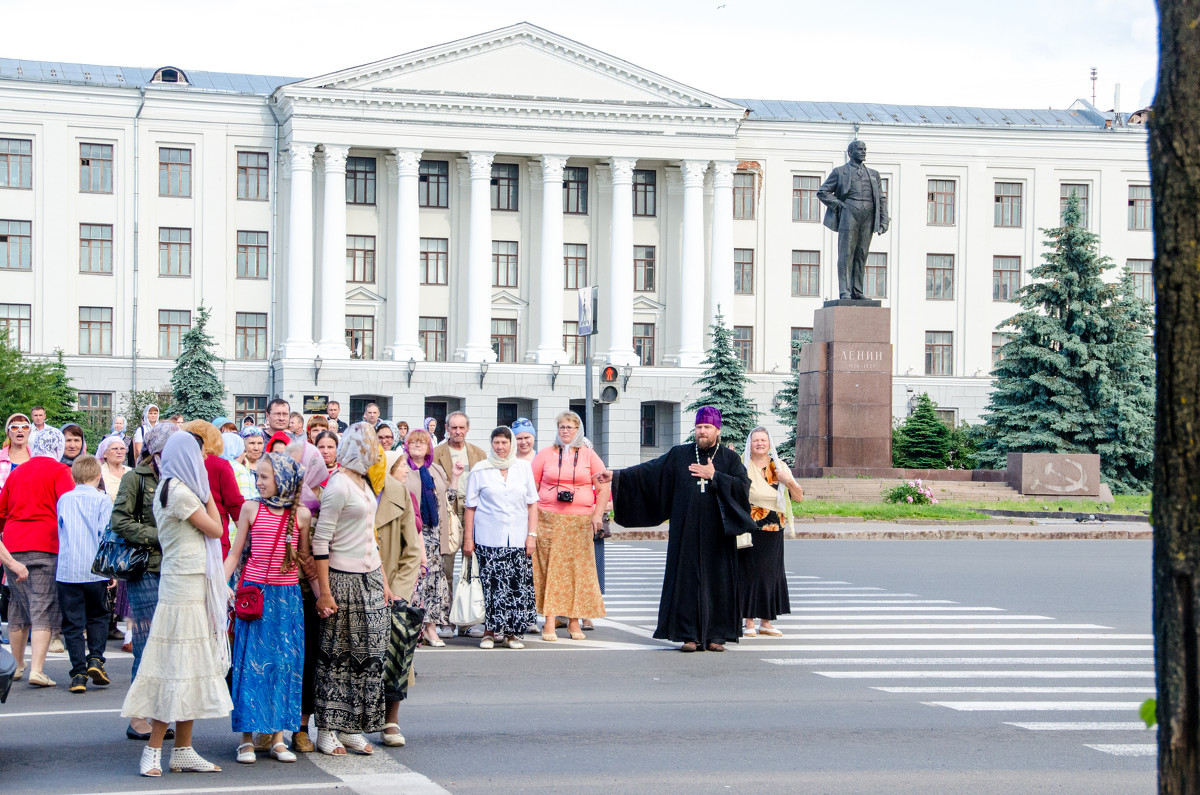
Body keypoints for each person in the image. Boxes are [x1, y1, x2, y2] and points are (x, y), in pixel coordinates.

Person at [120, 432, 233, 777]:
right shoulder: (180, 493)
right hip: (181, 589)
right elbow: (216, 529)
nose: (202, 461)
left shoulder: (174, 488)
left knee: (192, 668)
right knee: (176, 667)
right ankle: (153, 751)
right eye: (198, 456)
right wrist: (209, 494)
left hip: (189, 584)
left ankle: (183, 750)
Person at [598, 407, 755, 652]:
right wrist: (617, 475)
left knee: (718, 581)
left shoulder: (728, 459)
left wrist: (715, 476)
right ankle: (688, 635)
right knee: (686, 581)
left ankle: (717, 635)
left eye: (707, 428)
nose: (702, 432)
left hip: (718, 534)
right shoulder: (679, 455)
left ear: (717, 430)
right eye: (699, 427)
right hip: (687, 531)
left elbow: (743, 488)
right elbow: (650, 472)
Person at [224, 452, 310, 765]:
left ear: (283, 480)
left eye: (264, 476)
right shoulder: (250, 508)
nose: (258, 482)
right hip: (254, 596)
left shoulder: (300, 515)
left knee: (284, 665)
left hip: (287, 599)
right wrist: (219, 587)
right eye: (257, 476)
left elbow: (304, 562)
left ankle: (277, 737)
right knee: (250, 667)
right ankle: (246, 739)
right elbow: (235, 554)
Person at [311, 423, 387, 756]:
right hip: (342, 579)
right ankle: (327, 728)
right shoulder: (339, 485)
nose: (375, 453)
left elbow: (369, 535)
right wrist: (324, 592)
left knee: (367, 656)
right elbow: (320, 540)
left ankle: (351, 726)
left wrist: (382, 579)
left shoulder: (363, 482)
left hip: (369, 577)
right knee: (336, 656)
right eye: (369, 446)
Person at [112, 421, 177, 740]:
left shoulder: (181, 475)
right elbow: (119, 521)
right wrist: (157, 537)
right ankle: (138, 717)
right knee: (146, 644)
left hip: (176, 568)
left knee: (167, 646)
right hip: (146, 569)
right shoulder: (135, 478)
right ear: (157, 450)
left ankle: (157, 713)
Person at [0, 426, 76, 686]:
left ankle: (18, 665)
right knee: (43, 604)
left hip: (13, 544)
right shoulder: (60, 471)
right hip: (46, 543)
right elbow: (66, 507)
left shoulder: (17, 471)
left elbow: (2, 511)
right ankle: (37, 669)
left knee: (17, 605)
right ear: (57, 447)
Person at [530, 412, 608, 642]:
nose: (565, 431)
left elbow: (603, 488)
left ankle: (575, 621)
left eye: (570, 427)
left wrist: (597, 515)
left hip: (579, 521)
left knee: (577, 572)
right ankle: (550, 620)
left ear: (578, 430)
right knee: (550, 570)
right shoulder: (545, 454)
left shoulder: (589, 455)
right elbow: (531, 489)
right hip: (548, 519)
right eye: (562, 427)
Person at [462, 426, 538, 650]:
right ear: (491, 444)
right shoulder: (480, 469)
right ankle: (489, 632)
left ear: (511, 444)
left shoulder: (523, 468)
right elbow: (470, 507)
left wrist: (531, 535)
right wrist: (469, 538)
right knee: (491, 585)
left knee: (516, 585)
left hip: (517, 537)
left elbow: (533, 504)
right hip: (488, 538)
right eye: (496, 443)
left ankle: (512, 634)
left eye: (505, 443)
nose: (500, 447)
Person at [55, 455, 114, 693]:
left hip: (69, 568)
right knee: (98, 616)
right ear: (98, 476)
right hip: (95, 568)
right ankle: (96, 659)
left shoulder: (64, 499)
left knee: (72, 623)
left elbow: (61, 529)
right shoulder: (103, 500)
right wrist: (110, 569)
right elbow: (106, 534)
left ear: (73, 476)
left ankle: (78, 672)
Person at [739, 427, 804, 638]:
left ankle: (766, 621)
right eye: (756, 440)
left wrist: (789, 481)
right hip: (749, 524)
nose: (759, 444)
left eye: (763, 440)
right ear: (750, 443)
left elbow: (799, 496)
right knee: (749, 572)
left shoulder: (780, 466)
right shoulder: (742, 464)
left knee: (770, 573)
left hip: (774, 525)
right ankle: (748, 621)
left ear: (769, 443)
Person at [377, 449, 422, 747]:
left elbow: (412, 552)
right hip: (361, 587)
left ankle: (391, 721)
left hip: (394, 591)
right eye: (400, 464)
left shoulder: (401, 495)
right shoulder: (353, 489)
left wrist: (399, 593)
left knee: (398, 657)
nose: (406, 469)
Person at [817, 139, 890, 300]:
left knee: (861, 253)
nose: (863, 152)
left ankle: (858, 291)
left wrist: (884, 219)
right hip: (849, 212)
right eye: (859, 149)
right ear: (850, 153)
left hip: (868, 215)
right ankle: (845, 291)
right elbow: (822, 192)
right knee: (846, 254)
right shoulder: (839, 172)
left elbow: (881, 198)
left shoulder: (873, 174)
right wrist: (839, 204)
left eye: (865, 149)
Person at [402, 429, 454, 647]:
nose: (417, 446)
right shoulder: (401, 468)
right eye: (413, 442)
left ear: (429, 448)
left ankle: (431, 628)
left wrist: (457, 478)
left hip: (434, 534)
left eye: (422, 443)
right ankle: (413, 629)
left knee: (433, 582)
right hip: (412, 533)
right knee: (414, 582)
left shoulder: (436, 470)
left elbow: (447, 499)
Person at [432, 411, 486, 599]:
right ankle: (446, 616)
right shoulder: (436, 453)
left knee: (471, 566)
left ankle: (467, 622)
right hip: (448, 513)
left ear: (468, 428)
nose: (458, 431)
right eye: (453, 427)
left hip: (474, 512)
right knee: (446, 566)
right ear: (446, 428)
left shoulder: (479, 454)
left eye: (461, 427)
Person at [183, 421, 244, 559]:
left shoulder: (183, 463)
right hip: (216, 535)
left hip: (188, 534)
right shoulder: (220, 465)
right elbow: (235, 504)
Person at [222, 432, 259, 506]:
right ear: (238, 450)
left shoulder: (213, 465)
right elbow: (246, 501)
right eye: (243, 451)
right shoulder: (239, 470)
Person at [0, 412, 33, 489]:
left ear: (29, 432)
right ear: (8, 433)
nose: (20, 430)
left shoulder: (38, 458)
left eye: (25, 427)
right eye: (14, 427)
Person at [97, 434, 131, 500]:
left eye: (122, 448)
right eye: (114, 449)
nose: (119, 452)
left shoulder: (131, 471)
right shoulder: (99, 473)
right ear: (104, 454)